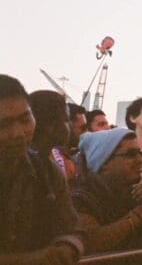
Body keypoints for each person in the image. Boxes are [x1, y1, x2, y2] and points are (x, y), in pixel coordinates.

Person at [0, 74, 84, 264]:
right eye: (4, 124)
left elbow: (73, 229)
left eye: (25, 119)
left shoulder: (47, 172)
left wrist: (67, 247)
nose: (19, 133)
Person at [70, 128, 142, 254]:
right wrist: (134, 220)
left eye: (140, 153)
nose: (140, 160)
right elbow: (89, 242)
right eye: (130, 155)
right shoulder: (80, 198)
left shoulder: (136, 191)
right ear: (104, 163)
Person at [27, 90, 74, 180]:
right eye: (66, 119)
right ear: (51, 125)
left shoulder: (49, 166)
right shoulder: (23, 169)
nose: (70, 125)